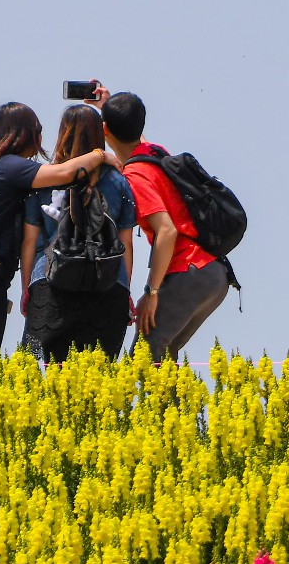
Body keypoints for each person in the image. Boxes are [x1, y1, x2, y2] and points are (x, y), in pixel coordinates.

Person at [0, 103, 113, 360]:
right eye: (39, 130)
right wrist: (100, 155)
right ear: (26, 134)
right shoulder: (10, 167)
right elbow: (65, 173)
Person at [95, 89, 228, 362]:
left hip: (189, 271)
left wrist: (151, 293)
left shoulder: (135, 175)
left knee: (143, 359)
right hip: (214, 273)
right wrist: (108, 105)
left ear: (104, 130)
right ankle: (179, 406)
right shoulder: (154, 153)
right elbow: (133, 139)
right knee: (162, 359)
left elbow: (167, 230)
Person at [20, 104, 137, 362]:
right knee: (100, 382)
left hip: (51, 281)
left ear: (62, 134)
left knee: (56, 379)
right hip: (107, 282)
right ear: (99, 135)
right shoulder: (119, 182)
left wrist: (26, 288)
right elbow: (125, 242)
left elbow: (30, 241)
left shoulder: (44, 178)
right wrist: (125, 289)